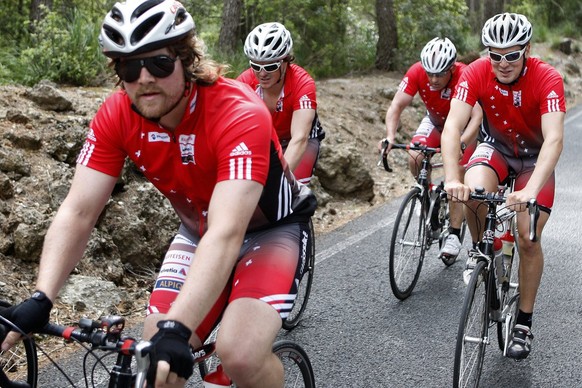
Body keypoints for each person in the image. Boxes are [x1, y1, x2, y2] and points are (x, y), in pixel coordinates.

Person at [0, 1, 316, 386]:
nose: (144, 78)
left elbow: (227, 231)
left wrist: (179, 327)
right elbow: (79, 212)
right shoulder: (116, 115)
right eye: (129, 67)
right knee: (156, 365)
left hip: (269, 231)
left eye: (160, 63)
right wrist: (41, 296)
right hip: (198, 232)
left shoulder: (238, 112)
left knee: (241, 353)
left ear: (186, 60)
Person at [441, 13, 565, 360]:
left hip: (533, 158)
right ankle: (485, 248)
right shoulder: (475, 72)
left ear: (526, 49)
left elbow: (554, 139)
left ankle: (523, 322)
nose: (503, 62)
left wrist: (529, 191)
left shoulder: (547, 77)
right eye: (496, 54)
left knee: (527, 237)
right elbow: (452, 127)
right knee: (473, 188)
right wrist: (452, 177)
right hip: (494, 148)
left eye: (512, 54)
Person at [382, 37, 482, 259]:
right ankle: (427, 198)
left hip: (463, 126)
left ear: (452, 68)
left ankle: (454, 234)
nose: (434, 79)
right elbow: (396, 106)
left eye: (440, 74)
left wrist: (462, 143)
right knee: (415, 157)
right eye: (430, 74)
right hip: (436, 121)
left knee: (457, 173)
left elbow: (477, 117)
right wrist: (389, 136)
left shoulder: (465, 74)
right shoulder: (417, 71)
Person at [237, 22, 325, 186]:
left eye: (270, 66)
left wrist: (277, 181)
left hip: (298, 139)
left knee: (289, 187)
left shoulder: (302, 83)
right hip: (267, 140)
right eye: (256, 65)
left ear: (285, 62)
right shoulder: (245, 82)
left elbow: (300, 138)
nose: (262, 74)